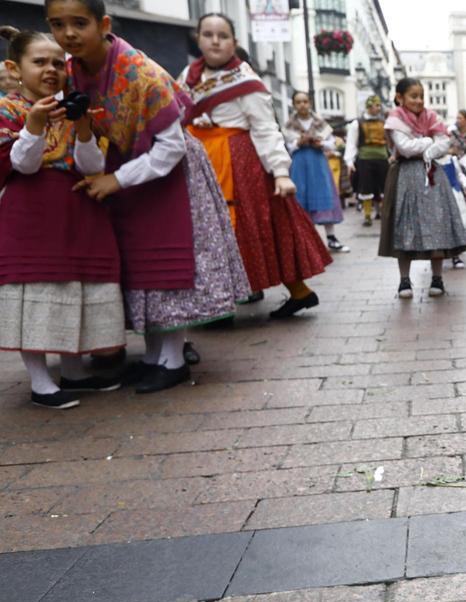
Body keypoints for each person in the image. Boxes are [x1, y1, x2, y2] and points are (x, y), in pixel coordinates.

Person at [53, 0, 250, 393]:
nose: (69, 33)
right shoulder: (72, 73)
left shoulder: (139, 71)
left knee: (167, 260)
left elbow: (171, 145)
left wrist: (117, 180)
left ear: (102, 23)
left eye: (79, 23)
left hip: (168, 170)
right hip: (129, 167)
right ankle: (153, 356)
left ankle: (173, 359)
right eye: (58, 24)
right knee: (140, 262)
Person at [178, 12, 331, 321]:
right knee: (213, 232)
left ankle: (227, 306)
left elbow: (265, 128)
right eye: (208, 34)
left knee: (248, 228)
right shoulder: (188, 77)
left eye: (223, 35)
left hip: (238, 164)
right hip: (201, 160)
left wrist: (280, 172)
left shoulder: (246, 81)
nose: (215, 40)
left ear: (235, 42)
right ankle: (237, 300)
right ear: (198, 39)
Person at [0, 26, 123, 409]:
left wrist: (84, 127)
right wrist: (34, 126)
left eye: (58, 62)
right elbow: (22, 165)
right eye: (39, 62)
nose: (51, 69)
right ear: (14, 68)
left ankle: (74, 371)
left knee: (76, 289)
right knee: (35, 292)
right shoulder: (8, 110)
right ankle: (40, 381)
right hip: (32, 214)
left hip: (79, 210)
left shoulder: (74, 106)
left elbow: (92, 165)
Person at [380, 77, 466, 299]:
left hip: (432, 176)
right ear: (400, 97)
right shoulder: (395, 120)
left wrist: (426, 147)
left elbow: (444, 144)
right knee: (405, 224)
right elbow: (405, 148)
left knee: (436, 223)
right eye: (413, 96)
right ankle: (404, 280)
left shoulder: (432, 117)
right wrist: (429, 142)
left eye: (421, 96)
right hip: (404, 177)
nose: (419, 100)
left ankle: (437, 278)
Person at [283, 91, 346, 253]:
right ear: (294, 105)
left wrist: (322, 144)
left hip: (317, 162)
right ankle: (306, 239)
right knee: (301, 196)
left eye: (305, 101)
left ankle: (331, 238)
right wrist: (299, 142)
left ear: (310, 103)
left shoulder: (320, 122)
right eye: (298, 102)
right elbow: (287, 147)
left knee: (323, 194)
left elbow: (333, 143)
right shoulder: (289, 125)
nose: (302, 105)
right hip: (299, 163)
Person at [345, 94, 389, 225]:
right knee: (366, 187)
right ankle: (367, 214)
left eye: (378, 105)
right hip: (365, 159)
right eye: (373, 105)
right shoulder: (357, 123)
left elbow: (390, 142)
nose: (376, 108)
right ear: (368, 106)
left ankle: (381, 212)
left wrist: (393, 155)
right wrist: (349, 161)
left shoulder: (385, 122)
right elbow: (351, 143)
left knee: (383, 187)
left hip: (382, 158)